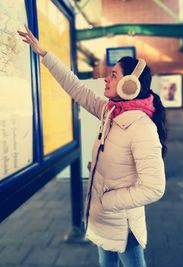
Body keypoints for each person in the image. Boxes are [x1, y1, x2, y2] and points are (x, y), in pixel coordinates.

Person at [18, 26, 167, 267]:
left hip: (122, 224)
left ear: (130, 85)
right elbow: (77, 88)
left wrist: (108, 201)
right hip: (101, 219)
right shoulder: (110, 112)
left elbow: (154, 188)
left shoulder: (142, 127)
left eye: (114, 75)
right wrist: (44, 54)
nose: (107, 79)